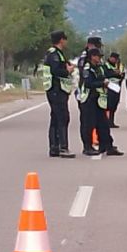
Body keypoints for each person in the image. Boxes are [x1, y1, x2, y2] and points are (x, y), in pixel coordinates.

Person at [79, 48, 124, 156]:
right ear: (92, 57)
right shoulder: (87, 68)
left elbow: (104, 76)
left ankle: (107, 146)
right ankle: (87, 147)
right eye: (98, 56)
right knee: (88, 125)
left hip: (99, 100)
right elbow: (88, 83)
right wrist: (102, 83)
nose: (100, 58)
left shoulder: (99, 68)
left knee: (103, 124)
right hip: (89, 99)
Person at [43, 31, 76, 159]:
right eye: (65, 39)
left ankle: (54, 148)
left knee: (56, 118)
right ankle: (63, 147)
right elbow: (56, 70)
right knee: (62, 118)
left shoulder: (56, 53)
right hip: (56, 89)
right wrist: (67, 70)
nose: (66, 42)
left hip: (57, 90)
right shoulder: (54, 54)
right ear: (61, 40)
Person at [104, 52, 124, 128]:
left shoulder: (118, 65)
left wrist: (119, 75)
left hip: (116, 87)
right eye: (114, 59)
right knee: (108, 105)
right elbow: (106, 74)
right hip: (109, 87)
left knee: (114, 105)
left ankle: (111, 122)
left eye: (116, 59)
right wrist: (115, 73)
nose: (115, 60)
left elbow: (122, 74)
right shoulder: (105, 65)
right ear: (111, 58)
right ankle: (106, 122)